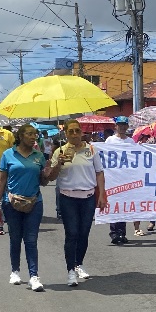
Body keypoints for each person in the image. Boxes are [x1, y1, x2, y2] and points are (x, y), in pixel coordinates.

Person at [0, 124, 58, 292]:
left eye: (34, 134)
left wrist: (49, 171)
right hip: (12, 202)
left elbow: (43, 182)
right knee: (15, 238)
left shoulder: (39, 156)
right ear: (20, 136)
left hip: (34, 202)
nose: (33, 137)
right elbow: (1, 181)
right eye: (29, 134)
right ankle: (15, 271)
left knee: (31, 239)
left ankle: (34, 276)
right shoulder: (8, 155)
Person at [48, 119, 107, 287]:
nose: (74, 134)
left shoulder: (91, 150)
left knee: (83, 233)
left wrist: (102, 194)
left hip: (87, 198)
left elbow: (99, 173)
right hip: (68, 198)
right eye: (70, 131)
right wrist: (58, 163)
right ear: (65, 134)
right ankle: (70, 271)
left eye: (77, 131)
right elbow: (51, 177)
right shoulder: (59, 151)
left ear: (81, 132)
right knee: (72, 234)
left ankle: (78, 263)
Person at [104, 116, 139, 242]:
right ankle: (113, 232)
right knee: (114, 204)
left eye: (124, 124)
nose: (122, 127)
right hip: (113, 177)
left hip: (126, 177)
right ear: (116, 126)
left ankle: (122, 233)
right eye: (120, 124)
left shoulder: (131, 142)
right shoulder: (110, 140)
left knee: (123, 205)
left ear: (127, 126)